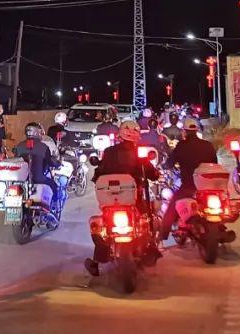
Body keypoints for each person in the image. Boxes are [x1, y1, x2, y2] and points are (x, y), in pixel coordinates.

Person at [84, 120, 159, 276]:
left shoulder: (109, 152)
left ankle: (97, 260)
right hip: (133, 199)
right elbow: (153, 174)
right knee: (148, 217)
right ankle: (150, 247)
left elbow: (99, 172)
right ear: (137, 135)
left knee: (102, 224)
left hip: (111, 200)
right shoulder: (139, 154)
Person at [158, 118, 218, 244]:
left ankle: (163, 234)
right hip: (208, 186)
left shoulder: (181, 146)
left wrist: (163, 166)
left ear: (184, 132)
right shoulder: (208, 145)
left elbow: (170, 163)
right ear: (197, 130)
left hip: (189, 186)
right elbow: (215, 163)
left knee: (172, 206)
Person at [13, 122, 60, 207]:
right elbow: (50, 162)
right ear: (38, 132)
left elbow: (16, 160)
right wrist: (57, 164)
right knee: (54, 185)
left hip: (21, 181)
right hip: (39, 179)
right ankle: (54, 205)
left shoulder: (19, 146)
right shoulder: (43, 147)